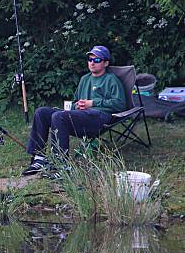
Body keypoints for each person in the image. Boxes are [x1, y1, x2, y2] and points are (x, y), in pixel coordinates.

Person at [22, 45, 127, 175]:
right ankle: (39, 158)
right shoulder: (84, 79)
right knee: (41, 112)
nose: (92, 63)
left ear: (106, 63)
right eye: (90, 59)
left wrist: (92, 103)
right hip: (82, 116)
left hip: (100, 117)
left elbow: (120, 104)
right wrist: (77, 105)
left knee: (59, 117)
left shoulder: (111, 80)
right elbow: (75, 101)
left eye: (97, 60)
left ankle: (61, 165)